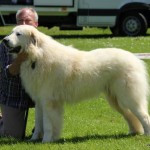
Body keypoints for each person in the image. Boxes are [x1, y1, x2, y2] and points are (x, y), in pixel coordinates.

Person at [0, 7, 38, 139]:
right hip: (13, 96)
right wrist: (21, 59)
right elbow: (7, 73)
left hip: (39, 95)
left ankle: (39, 131)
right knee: (13, 135)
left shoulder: (44, 43)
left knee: (50, 99)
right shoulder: (7, 42)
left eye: (28, 21)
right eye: (20, 21)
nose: (24, 25)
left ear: (36, 24)